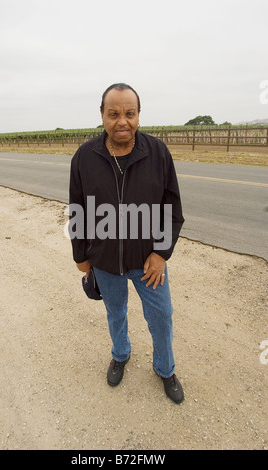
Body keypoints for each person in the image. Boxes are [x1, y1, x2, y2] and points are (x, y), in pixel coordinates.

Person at [69, 83, 185, 404]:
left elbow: (171, 208)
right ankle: (120, 353)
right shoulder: (84, 156)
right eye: (114, 113)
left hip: (148, 261)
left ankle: (165, 369)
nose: (122, 121)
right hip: (104, 261)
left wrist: (161, 252)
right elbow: (77, 208)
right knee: (115, 312)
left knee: (161, 316)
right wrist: (81, 255)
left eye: (129, 113)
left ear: (138, 115)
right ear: (102, 116)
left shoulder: (157, 152)